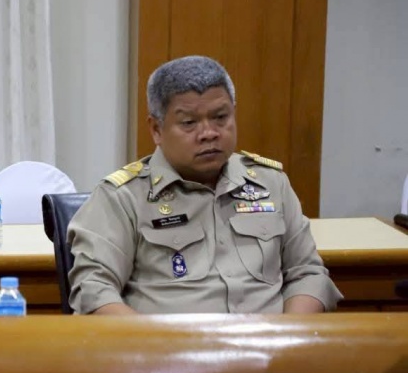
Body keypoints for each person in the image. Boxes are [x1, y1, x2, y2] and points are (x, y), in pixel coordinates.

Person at [68, 55, 342, 315]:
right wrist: (155, 342)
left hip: (270, 344)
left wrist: (287, 336)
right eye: (189, 123)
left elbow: (307, 274)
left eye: (221, 117)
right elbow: (94, 291)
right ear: (156, 129)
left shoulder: (271, 183)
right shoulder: (123, 197)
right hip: (167, 347)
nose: (209, 133)